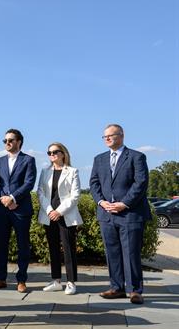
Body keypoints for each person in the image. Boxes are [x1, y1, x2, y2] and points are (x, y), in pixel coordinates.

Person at [90, 124, 150, 305]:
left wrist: (124, 204)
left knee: (131, 253)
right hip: (107, 214)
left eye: (111, 135)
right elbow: (94, 184)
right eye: (104, 136)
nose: (107, 138)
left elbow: (140, 183)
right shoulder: (99, 159)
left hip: (130, 214)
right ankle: (116, 288)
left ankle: (134, 291)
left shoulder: (136, 157)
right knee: (112, 253)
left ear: (121, 136)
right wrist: (101, 202)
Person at [0, 128, 36, 293]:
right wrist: (4, 198)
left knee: (22, 245)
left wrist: (14, 198)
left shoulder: (29, 160)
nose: (7, 143)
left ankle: (21, 280)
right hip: (2, 208)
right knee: (1, 244)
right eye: (5, 141)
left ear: (19, 142)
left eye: (10, 140)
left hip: (20, 209)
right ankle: (0, 278)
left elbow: (29, 183)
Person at [37, 142, 83, 295]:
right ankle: (56, 281)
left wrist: (59, 211)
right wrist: (50, 210)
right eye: (49, 152)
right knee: (53, 249)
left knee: (69, 249)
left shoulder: (72, 171)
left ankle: (71, 282)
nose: (52, 155)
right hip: (49, 215)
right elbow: (40, 193)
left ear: (63, 153)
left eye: (55, 151)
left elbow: (75, 195)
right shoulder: (45, 172)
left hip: (66, 215)